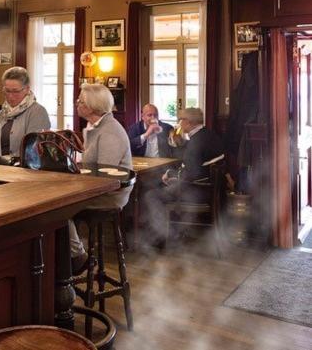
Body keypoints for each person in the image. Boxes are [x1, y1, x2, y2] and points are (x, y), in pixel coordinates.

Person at [69, 83, 133, 274]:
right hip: (100, 188)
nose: (77, 104)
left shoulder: (110, 131)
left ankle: (77, 257)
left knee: (57, 210)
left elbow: (104, 175)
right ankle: (66, 260)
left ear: (92, 106)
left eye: (81, 101)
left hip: (111, 195)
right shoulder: (96, 126)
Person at [141, 107, 224, 248]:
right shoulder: (207, 135)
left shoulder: (196, 142)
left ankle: (162, 237)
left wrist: (172, 176)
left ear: (188, 122)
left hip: (198, 191)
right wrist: (174, 175)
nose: (179, 123)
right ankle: (173, 232)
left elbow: (192, 173)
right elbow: (193, 165)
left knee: (152, 195)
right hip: (209, 189)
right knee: (161, 187)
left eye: (180, 120)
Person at [0, 67, 50, 157]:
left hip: (24, 165)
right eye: (7, 91)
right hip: (0, 164)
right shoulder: (2, 113)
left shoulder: (37, 112)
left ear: (27, 89)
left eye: (15, 91)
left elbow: (33, 149)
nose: (10, 96)